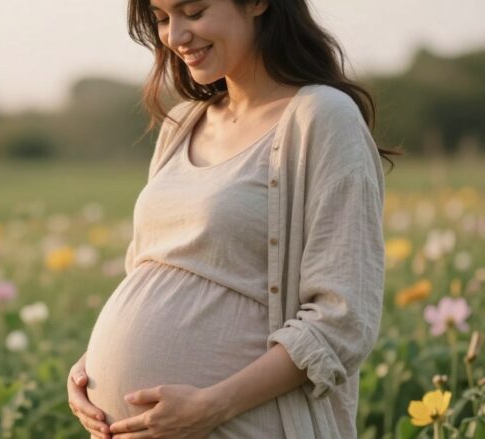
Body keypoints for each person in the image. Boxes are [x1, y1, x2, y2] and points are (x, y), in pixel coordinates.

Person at [67, 0, 402, 438]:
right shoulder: (183, 123)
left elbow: (341, 318)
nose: (176, 36)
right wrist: (89, 370)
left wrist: (212, 406)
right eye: (163, 19)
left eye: (195, 11)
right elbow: (147, 269)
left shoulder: (322, 118)